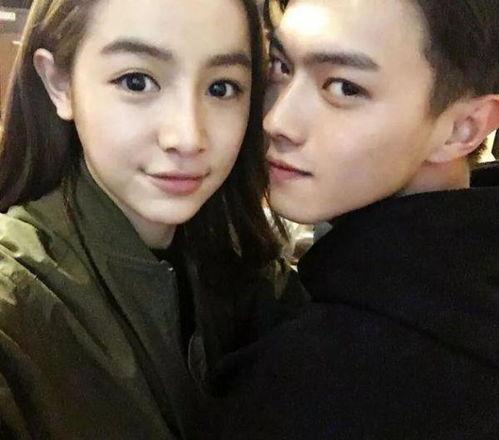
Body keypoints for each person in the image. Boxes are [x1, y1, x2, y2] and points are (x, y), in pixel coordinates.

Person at [0, 0, 307, 438]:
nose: (188, 137)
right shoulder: (17, 303)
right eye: (137, 81)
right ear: (59, 83)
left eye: (221, 88)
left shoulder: (254, 276)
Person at [210, 0, 499, 438]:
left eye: (344, 88)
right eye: (281, 67)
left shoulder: (320, 384)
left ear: (463, 129)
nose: (276, 120)